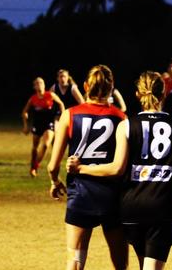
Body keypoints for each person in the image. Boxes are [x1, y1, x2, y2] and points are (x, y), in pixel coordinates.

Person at [67, 71, 172, 270]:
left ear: (137, 95)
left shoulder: (126, 126)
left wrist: (81, 168)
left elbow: (116, 169)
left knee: (144, 264)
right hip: (163, 207)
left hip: (132, 207)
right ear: (164, 94)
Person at [47, 65, 128, 270]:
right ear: (111, 89)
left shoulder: (70, 114)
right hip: (112, 197)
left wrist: (54, 181)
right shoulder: (121, 118)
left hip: (81, 195)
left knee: (75, 260)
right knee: (120, 263)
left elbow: (52, 165)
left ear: (85, 86)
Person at [22, 77, 65, 177]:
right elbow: (25, 111)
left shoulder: (50, 95)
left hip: (49, 124)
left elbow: (61, 104)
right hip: (37, 124)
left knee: (45, 145)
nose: (40, 85)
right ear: (34, 87)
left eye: (41, 83)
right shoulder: (33, 98)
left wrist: (62, 117)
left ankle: (35, 166)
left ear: (44, 85)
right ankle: (33, 166)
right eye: (37, 83)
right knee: (35, 148)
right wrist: (25, 124)